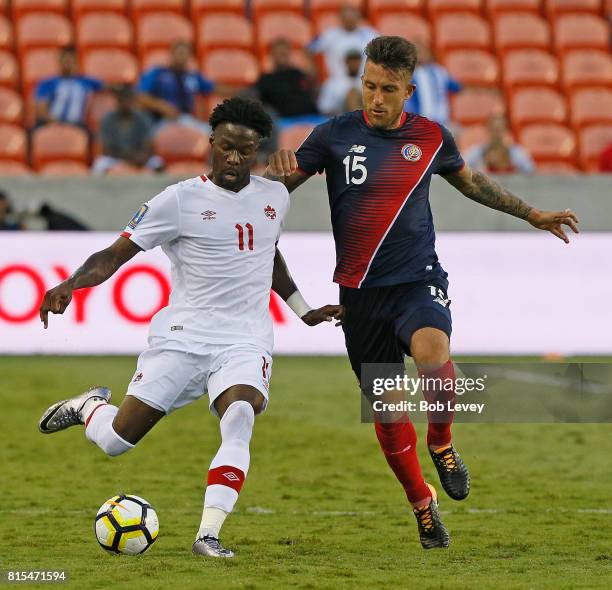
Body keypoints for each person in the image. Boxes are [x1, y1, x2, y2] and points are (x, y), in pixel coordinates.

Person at [266, 36, 579, 549]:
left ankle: (443, 441)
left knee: (435, 360)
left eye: (388, 88)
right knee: (388, 411)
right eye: (368, 86)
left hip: (417, 279)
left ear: (408, 90)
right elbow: (278, 190)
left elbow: (474, 183)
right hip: (360, 294)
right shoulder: (332, 136)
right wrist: (265, 179)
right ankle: (422, 505)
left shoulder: (432, 137)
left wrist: (531, 213)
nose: (375, 98)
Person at [37, 97, 344, 558]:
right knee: (117, 441)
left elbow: (267, 256)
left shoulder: (275, 196)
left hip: (246, 338)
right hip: (183, 338)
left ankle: (208, 535)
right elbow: (115, 255)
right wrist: (73, 283)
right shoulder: (177, 200)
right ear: (211, 143)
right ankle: (88, 408)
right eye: (225, 148)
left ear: (257, 149)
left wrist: (302, 309)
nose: (234, 160)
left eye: (244, 151)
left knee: (240, 416)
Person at [137, 41, 216, 134]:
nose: (182, 57)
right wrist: (162, 106)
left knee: (213, 134)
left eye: (186, 54)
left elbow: (213, 88)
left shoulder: (193, 76)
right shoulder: (157, 73)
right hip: (161, 120)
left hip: (187, 120)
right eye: (180, 53)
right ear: (171, 54)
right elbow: (140, 97)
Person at [92, 85, 163, 175]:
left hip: (140, 157)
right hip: (116, 157)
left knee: (158, 163)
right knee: (99, 164)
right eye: (123, 101)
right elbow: (107, 149)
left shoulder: (143, 118)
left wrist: (143, 157)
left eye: (129, 101)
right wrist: (129, 158)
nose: (127, 104)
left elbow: (148, 144)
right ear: (118, 102)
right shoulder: (108, 119)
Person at [251, 38, 320, 124]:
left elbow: (314, 91)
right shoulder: (266, 79)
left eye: (285, 53)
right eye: (279, 53)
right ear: (272, 55)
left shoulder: (299, 74)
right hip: (283, 122)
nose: (283, 56)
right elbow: (254, 99)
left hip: (312, 119)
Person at [34, 45, 103, 129]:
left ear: (76, 61)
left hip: (77, 125)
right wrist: (54, 122)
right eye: (64, 60)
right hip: (50, 123)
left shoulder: (87, 81)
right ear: (59, 61)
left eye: (70, 60)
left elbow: (109, 87)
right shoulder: (47, 83)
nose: (67, 63)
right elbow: (41, 108)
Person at [307, 5, 378, 80]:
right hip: (337, 82)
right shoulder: (330, 35)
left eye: (352, 16)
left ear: (359, 17)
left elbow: (385, 52)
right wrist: (313, 70)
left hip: (363, 81)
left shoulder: (370, 34)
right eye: (346, 16)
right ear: (340, 18)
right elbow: (308, 49)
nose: (349, 19)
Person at [402, 42, 461, 126]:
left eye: (423, 51)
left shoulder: (439, 71)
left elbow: (457, 87)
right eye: (417, 51)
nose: (420, 55)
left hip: (443, 122)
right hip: (417, 124)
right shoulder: (406, 74)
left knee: (456, 130)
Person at [465, 113, 536, 174]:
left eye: (500, 129)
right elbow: (463, 167)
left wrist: (508, 162)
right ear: (488, 129)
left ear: (505, 130)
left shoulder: (516, 152)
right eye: (494, 129)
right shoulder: (478, 151)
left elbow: (530, 170)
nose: (497, 133)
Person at [318, 49, 363, 116]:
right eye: (351, 60)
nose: (354, 63)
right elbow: (323, 107)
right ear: (346, 62)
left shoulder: (366, 81)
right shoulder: (333, 82)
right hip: (339, 118)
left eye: (356, 60)